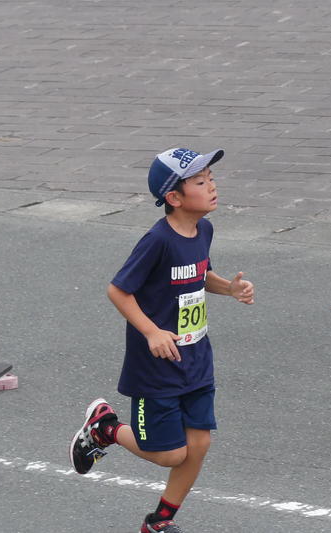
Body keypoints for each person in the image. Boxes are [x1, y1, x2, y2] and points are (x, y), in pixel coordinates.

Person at [69, 147, 255, 533]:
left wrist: (229, 288)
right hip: (156, 365)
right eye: (200, 182)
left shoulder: (203, 230)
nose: (212, 186)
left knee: (199, 445)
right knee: (169, 454)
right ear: (174, 197)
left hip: (196, 358)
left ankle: (159, 522)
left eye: (211, 178)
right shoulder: (157, 240)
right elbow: (118, 290)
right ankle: (105, 428)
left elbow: (199, 274)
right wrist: (152, 331)